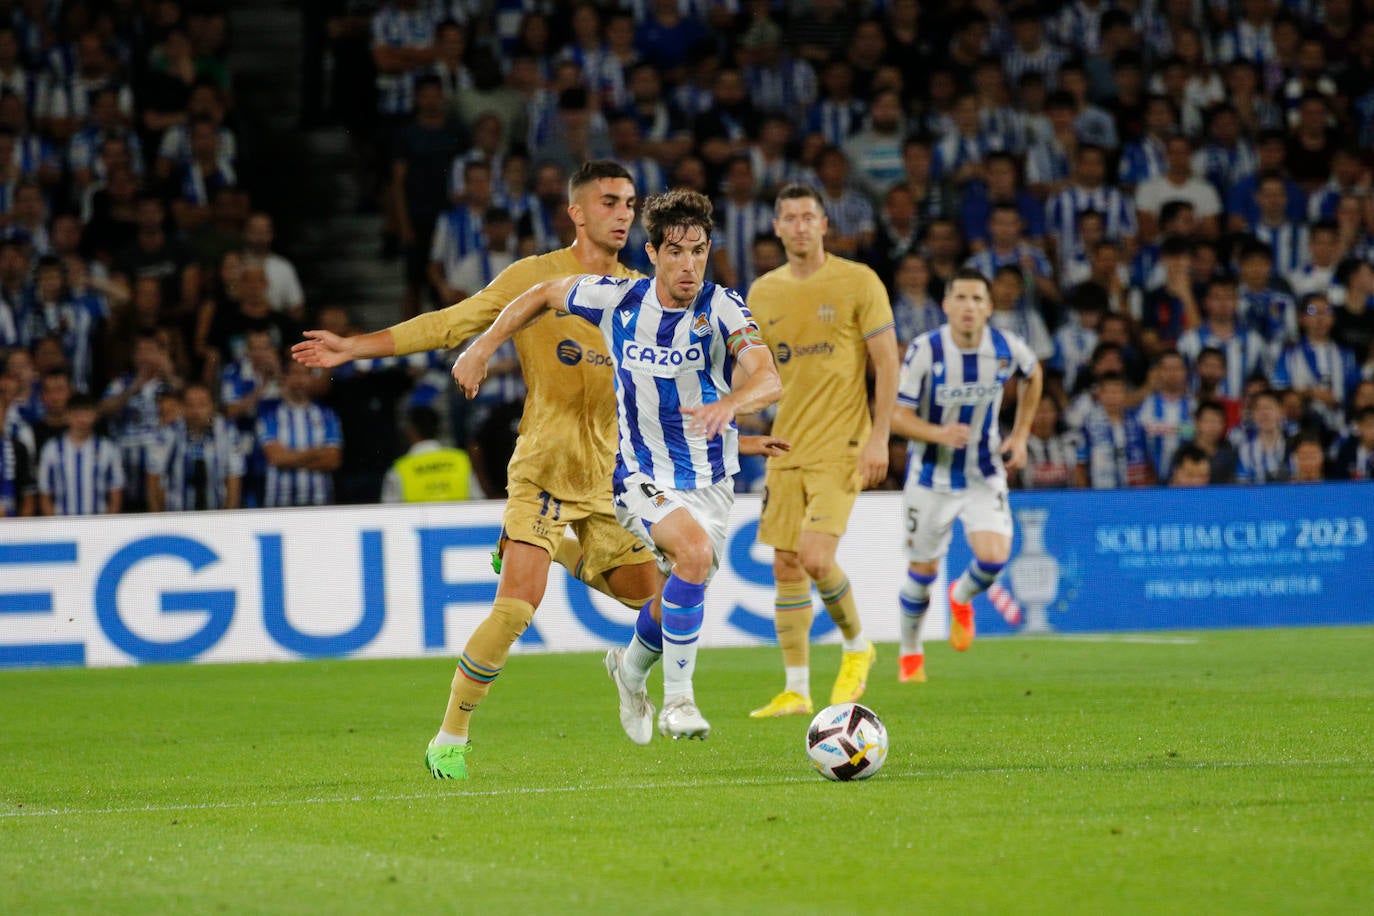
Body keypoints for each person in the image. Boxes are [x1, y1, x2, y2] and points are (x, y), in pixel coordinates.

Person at [292, 161, 663, 780]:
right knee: (516, 609)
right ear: (576, 212)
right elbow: (450, 324)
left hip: (610, 475)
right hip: (544, 466)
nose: (623, 213)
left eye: (629, 203)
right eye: (609, 202)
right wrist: (355, 347)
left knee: (653, 603)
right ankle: (450, 736)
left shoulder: (642, 292)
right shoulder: (535, 277)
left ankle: (561, 552)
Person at [453, 188, 783, 745]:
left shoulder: (723, 306)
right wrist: (483, 346)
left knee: (676, 591)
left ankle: (629, 671)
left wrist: (732, 405)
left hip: (710, 481)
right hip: (637, 476)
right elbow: (541, 293)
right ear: (651, 253)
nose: (689, 265)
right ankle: (678, 702)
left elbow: (768, 377)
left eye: (699, 251)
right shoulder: (617, 300)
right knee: (693, 554)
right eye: (675, 252)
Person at [744, 183, 899, 718]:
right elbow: (753, 371)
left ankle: (857, 646)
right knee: (786, 564)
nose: (800, 226)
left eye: (809, 216)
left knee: (814, 557)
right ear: (777, 228)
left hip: (843, 443)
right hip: (786, 443)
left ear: (825, 224)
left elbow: (887, 363)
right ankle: (796, 689)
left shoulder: (858, 280)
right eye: (789, 218)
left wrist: (880, 437)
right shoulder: (762, 293)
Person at [889, 268, 1044, 683]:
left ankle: (960, 596)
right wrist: (938, 433)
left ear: (989, 307)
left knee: (993, 558)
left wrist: (1021, 434)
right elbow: (897, 416)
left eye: (977, 299)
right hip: (930, 477)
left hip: (982, 472)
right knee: (922, 573)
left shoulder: (1006, 347)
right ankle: (910, 654)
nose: (969, 306)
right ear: (946, 305)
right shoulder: (926, 350)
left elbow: (1033, 375)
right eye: (960, 298)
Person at [147, 382, 244, 511]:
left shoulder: (227, 432)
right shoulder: (168, 433)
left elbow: (234, 479)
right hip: (177, 516)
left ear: (213, 407)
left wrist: (228, 517)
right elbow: (154, 479)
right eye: (190, 405)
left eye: (202, 405)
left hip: (215, 515)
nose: (195, 411)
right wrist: (158, 518)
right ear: (182, 407)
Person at [37, 393, 124, 515]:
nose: (82, 420)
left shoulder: (108, 449)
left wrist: (106, 524)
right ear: (67, 416)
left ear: (95, 415)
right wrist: (55, 524)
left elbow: (116, 493)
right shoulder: (51, 449)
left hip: (99, 522)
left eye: (87, 414)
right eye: (76, 414)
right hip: (62, 523)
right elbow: (45, 494)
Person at [380, 404, 482, 503]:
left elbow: (389, 511)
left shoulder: (399, 470)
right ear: (438, 428)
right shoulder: (463, 461)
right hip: (460, 515)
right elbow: (480, 502)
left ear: (410, 431)